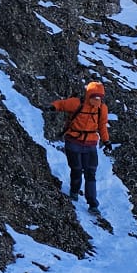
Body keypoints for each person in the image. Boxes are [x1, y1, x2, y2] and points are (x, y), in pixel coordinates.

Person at [50, 79, 111, 212]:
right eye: (95, 96)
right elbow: (62, 104)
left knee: (90, 173)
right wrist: (53, 106)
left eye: (100, 97)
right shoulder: (77, 103)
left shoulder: (102, 108)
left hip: (90, 144)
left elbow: (102, 126)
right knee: (76, 170)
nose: (97, 100)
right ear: (89, 95)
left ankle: (93, 204)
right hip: (73, 142)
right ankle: (74, 192)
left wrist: (106, 141)